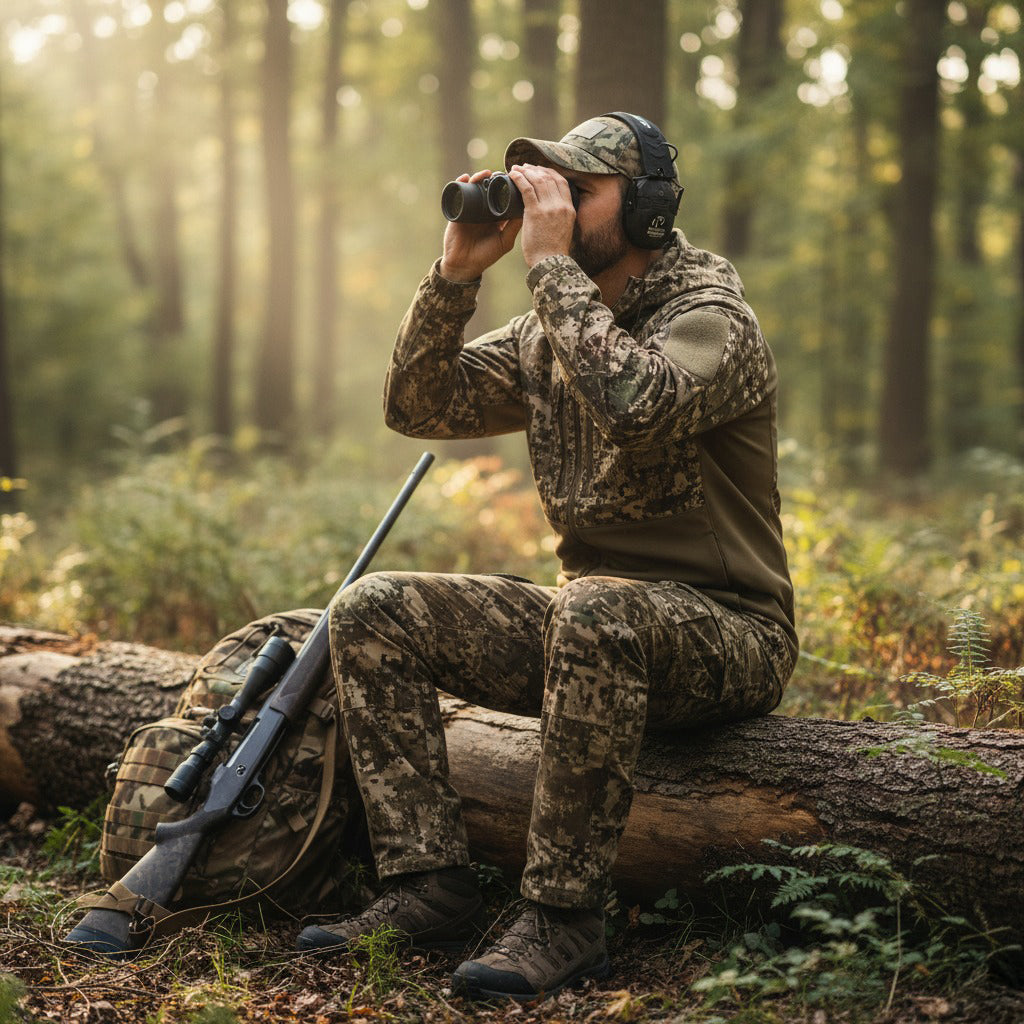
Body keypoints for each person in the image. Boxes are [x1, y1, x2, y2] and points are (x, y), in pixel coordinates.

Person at [295, 112, 798, 1002]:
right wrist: (455, 274)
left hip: (728, 634)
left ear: (645, 211)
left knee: (595, 607)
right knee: (375, 607)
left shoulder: (714, 320)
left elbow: (637, 402)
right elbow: (420, 403)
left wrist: (551, 267)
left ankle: (565, 918)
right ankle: (427, 885)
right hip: (589, 630)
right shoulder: (550, 330)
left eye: (576, 193)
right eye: (541, 192)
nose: (546, 212)